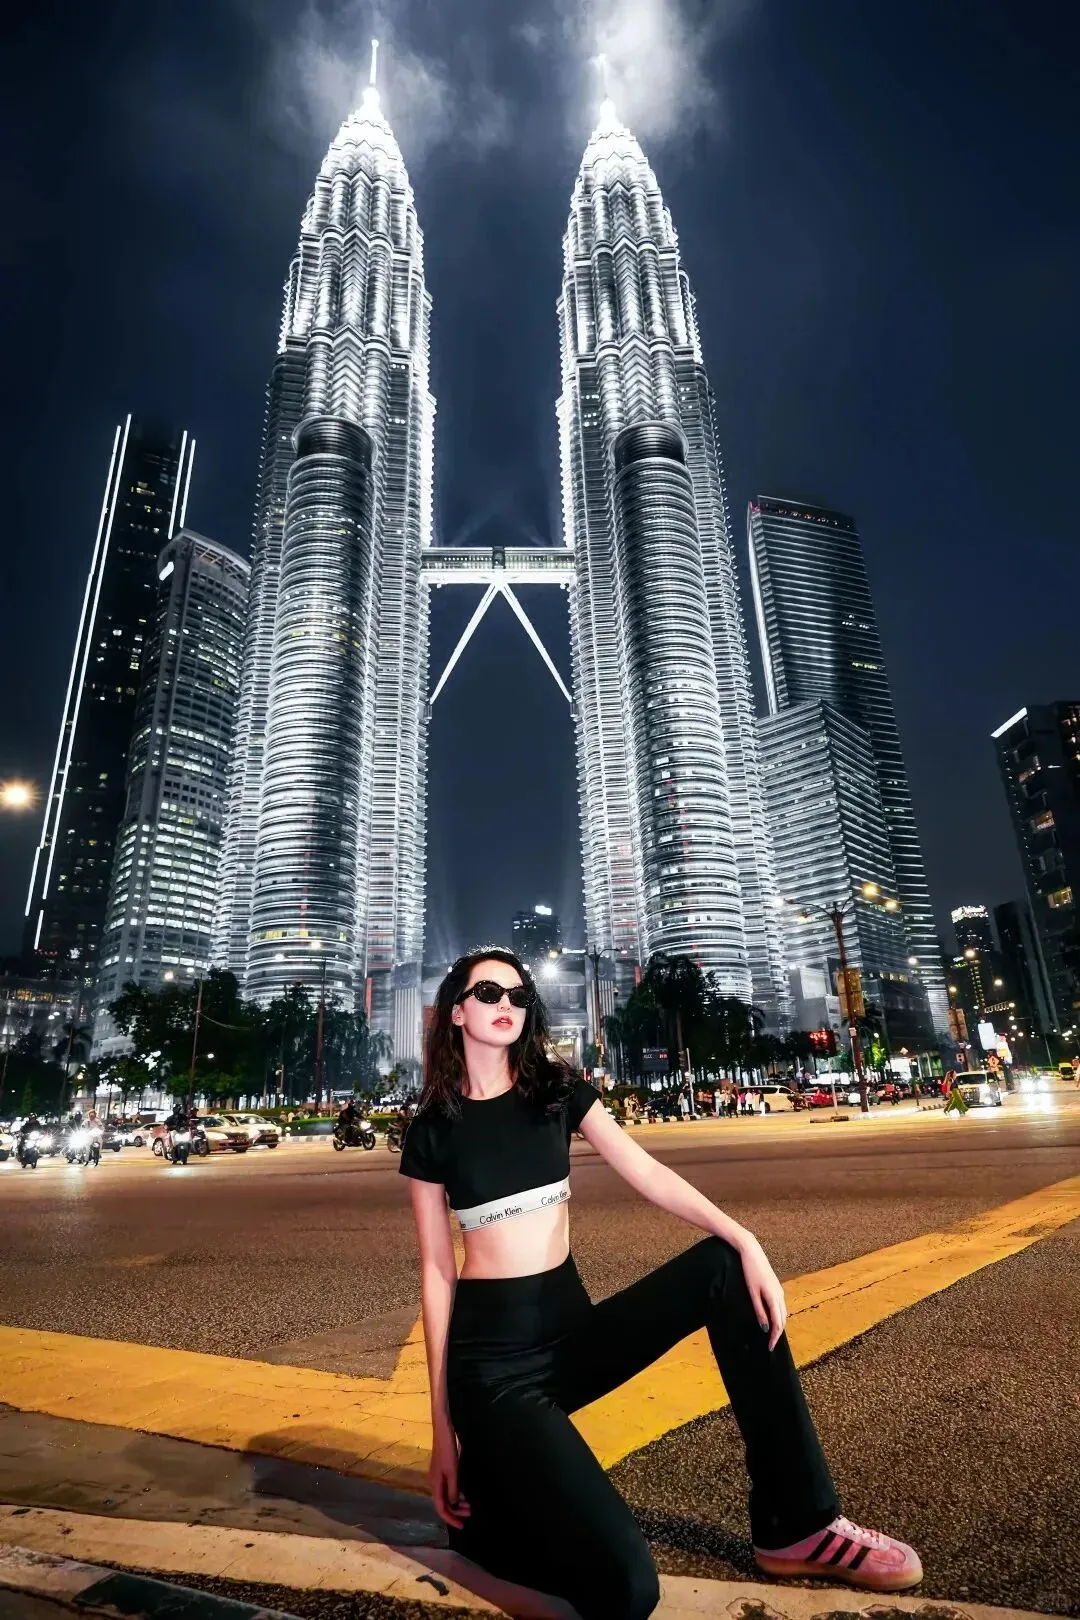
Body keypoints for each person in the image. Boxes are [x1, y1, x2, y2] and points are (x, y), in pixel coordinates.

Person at [399, 948, 921, 1619]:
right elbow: (438, 1273)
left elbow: (647, 1174)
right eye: (490, 993)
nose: (507, 1005)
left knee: (725, 1269)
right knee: (629, 1591)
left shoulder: (556, 1093)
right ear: (456, 1013)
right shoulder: (434, 1130)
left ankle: (798, 1524)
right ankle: (490, 1518)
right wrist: (443, 1429)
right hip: (497, 1374)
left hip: (572, 1339)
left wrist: (745, 1238)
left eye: (519, 996)